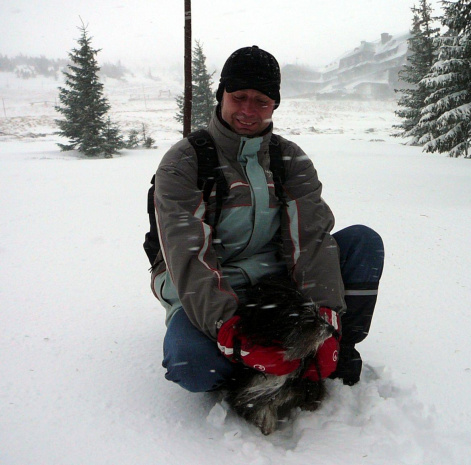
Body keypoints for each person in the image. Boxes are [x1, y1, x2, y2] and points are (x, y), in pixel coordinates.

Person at [150, 46, 384, 392]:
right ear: (221, 96)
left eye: (261, 100)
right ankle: (251, 361)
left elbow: (311, 241)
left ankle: (333, 347)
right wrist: (229, 330)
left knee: (362, 243)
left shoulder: (289, 160)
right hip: (204, 286)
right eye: (239, 96)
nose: (247, 110)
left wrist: (326, 319)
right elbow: (188, 257)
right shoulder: (184, 163)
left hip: (274, 283)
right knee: (194, 366)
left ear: (274, 105)